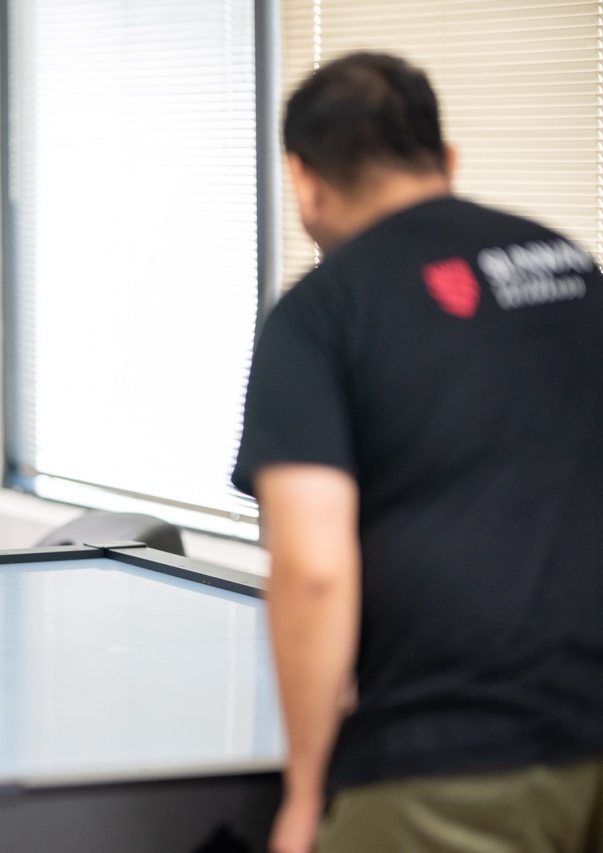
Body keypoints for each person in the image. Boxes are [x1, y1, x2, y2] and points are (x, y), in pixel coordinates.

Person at [232, 52, 603, 853]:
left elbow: (313, 566)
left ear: (304, 180)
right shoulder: (574, 267)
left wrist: (305, 790)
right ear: (448, 161)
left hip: (447, 764)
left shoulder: (323, 311)